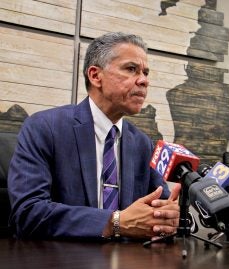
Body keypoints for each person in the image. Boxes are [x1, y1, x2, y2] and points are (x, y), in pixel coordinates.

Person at [7, 32, 180, 240]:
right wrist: (115, 222)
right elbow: (27, 214)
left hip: (127, 266)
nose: (144, 81)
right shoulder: (44, 128)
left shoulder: (142, 143)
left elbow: (157, 209)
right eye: (131, 69)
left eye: (145, 72)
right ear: (95, 76)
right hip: (61, 265)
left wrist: (167, 216)